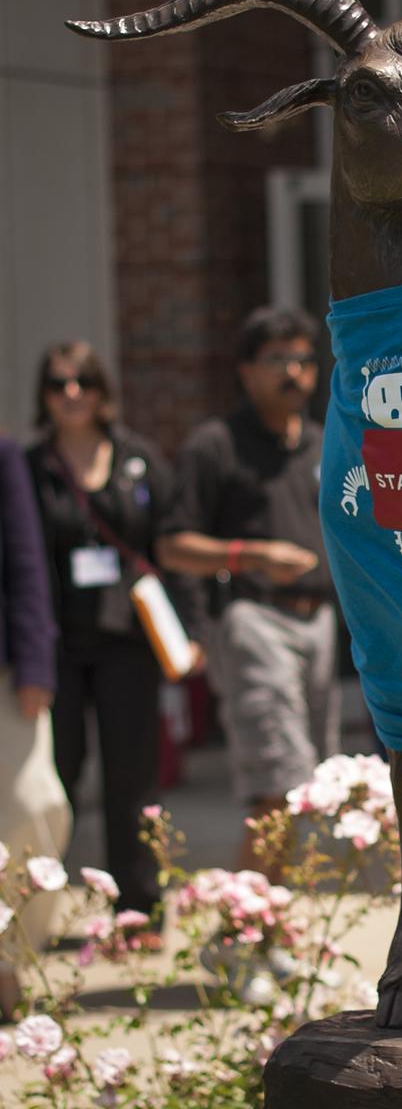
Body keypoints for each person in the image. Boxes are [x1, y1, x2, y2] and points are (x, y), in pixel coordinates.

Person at [156, 307, 338, 873]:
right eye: (278, 359)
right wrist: (249, 554)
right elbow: (171, 545)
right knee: (276, 787)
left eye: (305, 360)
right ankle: (245, 934)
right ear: (245, 371)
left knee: (308, 787)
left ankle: (271, 926)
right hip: (253, 621)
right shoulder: (215, 445)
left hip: (321, 624)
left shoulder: (323, 442)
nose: (295, 372)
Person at [27, 341, 183, 936]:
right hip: (58, 646)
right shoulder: (30, 467)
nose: (72, 394)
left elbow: (167, 545)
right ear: (44, 395)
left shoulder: (137, 458)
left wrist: (185, 630)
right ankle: (39, 912)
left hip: (127, 643)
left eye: (83, 383)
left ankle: (138, 911)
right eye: (59, 384)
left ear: (102, 392)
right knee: (54, 781)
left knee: (133, 780)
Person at [0, 435, 71, 1021]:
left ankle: (16, 952)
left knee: (33, 807)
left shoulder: (4, 453)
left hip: (7, 674)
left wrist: (35, 663)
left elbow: (26, 563)